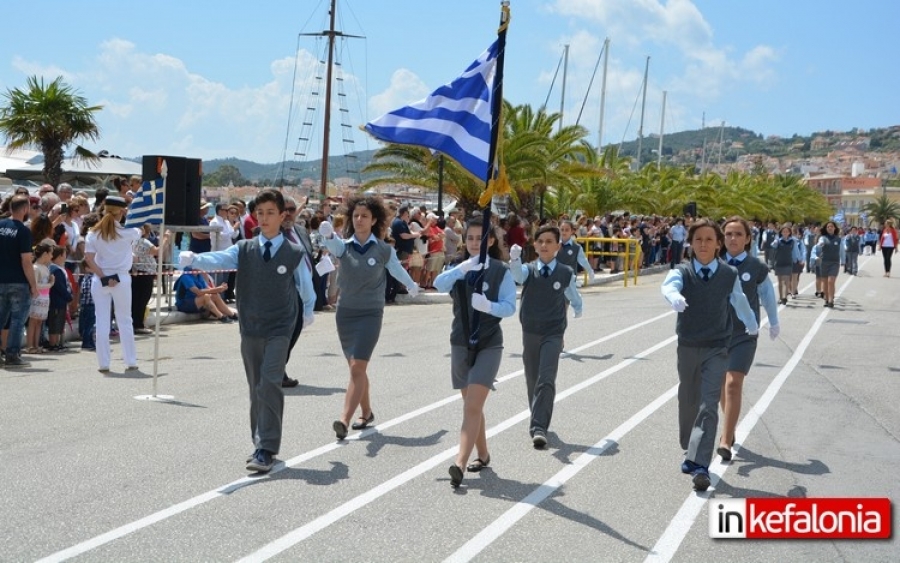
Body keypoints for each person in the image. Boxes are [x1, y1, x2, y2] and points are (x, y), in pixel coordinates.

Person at [179, 188, 316, 473]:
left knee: (269, 382)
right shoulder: (245, 249)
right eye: (260, 213)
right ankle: (259, 442)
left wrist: (309, 311)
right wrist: (193, 259)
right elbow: (220, 259)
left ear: (282, 216)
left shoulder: (293, 251)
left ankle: (266, 447)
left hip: (281, 326)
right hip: (251, 326)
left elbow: (305, 285)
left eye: (270, 213)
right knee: (256, 388)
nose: (264, 219)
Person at [660, 218, 759, 492]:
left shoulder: (728, 274)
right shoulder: (683, 270)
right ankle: (689, 450)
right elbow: (669, 285)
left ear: (718, 245)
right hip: (689, 345)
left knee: (708, 403)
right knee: (688, 400)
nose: (703, 244)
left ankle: (702, 465)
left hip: (718, 346)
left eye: (709, 239)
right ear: (690, 243)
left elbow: (739, 300)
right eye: (698, 239)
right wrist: (674, 298)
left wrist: (751, 324)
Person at [318, 195, 419, 440]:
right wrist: (328, 236)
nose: (360, 220)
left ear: (374, 219)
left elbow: (395, 268)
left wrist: (412, 284)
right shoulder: (345, 246)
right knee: (356, 370)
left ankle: (344, 419)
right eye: (356, 216)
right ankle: (367, 412)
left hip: (370, 313)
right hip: (345, 313)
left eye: (364, 216)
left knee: (357, 366)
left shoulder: (383, 249)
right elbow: (332, 247)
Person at [434, 215, 516, 488]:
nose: (473, 242)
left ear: (490, 241)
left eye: (479, 238)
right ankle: (482, 453)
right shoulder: (459, 266)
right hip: (460, 340)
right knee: (472, 405)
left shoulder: (500, 270)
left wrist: (489, 306)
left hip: (489, 342)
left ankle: (459, 462)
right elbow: (439, 284)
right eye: (469, 237)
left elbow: (509, 306)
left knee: (472, 406)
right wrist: (463, 269)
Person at [508, 226, 583, 449]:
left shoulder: (565, 272)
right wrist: (514, 259)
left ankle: (539, 427)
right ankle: (537, 413)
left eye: (549, 241)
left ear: (558, 246)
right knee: (532, 378)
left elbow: (572, 294)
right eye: (540, 241)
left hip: (553, 332)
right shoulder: (529, 269)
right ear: (535, 245)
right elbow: (517, 275)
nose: (544, 245)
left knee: (546, 377)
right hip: (530, 331)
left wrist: (578, 308)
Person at [717, 216, 780, 461]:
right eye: (729, 234)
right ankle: (729, 429)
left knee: (733, 383)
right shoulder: (714, 264)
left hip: (745, 334)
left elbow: (767, 295)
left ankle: (725, 440)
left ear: (748, 238)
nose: (733, 239)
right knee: (721, 386)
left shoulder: (756, 267)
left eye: (738, 234)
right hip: (717, 334)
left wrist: (774, 322)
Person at [83, 196, 141, 372]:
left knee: (101, 321)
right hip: (121, 277)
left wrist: (102, 276)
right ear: (121, 212)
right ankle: (130, 360)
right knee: (125, 320)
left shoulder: (93, 233)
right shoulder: (129, 232)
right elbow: (140, 230)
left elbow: (88, 259)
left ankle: (104, 363)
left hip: (101, 279)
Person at [0, 195, 40, 368]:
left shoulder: (0, 225)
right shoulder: (23, 231)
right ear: (25, 209)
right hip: (18, 281)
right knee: (17, 319)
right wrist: (33, 285)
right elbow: (26, 261)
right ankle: (12, 354)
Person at [131, 224, 168, 334]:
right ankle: (138, 324)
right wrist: (165, 238)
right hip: (145, 273)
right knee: (142, 299)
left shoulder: (133, 241)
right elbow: (157, 251)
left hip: (139, 272)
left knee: (137, 299)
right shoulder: (144, 241)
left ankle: (137, 323)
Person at [25, 242, 54, 354]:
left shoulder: (45, 268)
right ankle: (30, 346)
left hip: (45, 297)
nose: (52, 256)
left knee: (39, 322)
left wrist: (49, 284)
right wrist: (50, 284)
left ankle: (36, 345)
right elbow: (36, 285)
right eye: (50, 253)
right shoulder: (36, 267)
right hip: (37, 297)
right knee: (33, 321)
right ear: (45, 254)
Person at [46, 246, 72, 351]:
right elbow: (60, 286)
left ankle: (57, 343)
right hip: (56, 301)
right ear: (60, 256)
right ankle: (53, 344)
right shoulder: (55, 270)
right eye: (64, 254)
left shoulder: (60, 269)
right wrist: (68, 297)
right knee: (55, 323)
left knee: (60, 323)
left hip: (61, 302)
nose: (66, 256)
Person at [770, 223, 803, 305]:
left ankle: (785, 297)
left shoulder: (793, 241)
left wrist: (799, 259)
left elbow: (796, 251)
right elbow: (773, 246)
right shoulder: (778, 241)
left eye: (787, 231)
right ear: (781, 232)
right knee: (780, 282)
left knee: (786, 281)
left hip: (788, 263)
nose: (785, 233)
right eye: (783, 231)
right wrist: (775, 242)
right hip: (779, 263)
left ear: (789, 233)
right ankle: (780, 297)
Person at [556, 220, 595, 285]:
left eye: (567, 230)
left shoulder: (576, 247)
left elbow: (583, 261)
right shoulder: (553, 245)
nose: (564, 232)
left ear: (572, 231)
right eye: (562, 230)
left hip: (570, 281)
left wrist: (590, 272)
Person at [816, 221, 842, 308]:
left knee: (831, 281)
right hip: (824, 262)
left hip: (835, 263)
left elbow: (842, 251)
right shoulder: (823, 238)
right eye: (828, 227)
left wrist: (844, 261)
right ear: (826, 229)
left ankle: (831, 300)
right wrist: (820, 244)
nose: (830, 228)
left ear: (835, 228)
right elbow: (820, 242)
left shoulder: (838, 239)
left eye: (831, 226)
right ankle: (826, 299)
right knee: (825, 282)